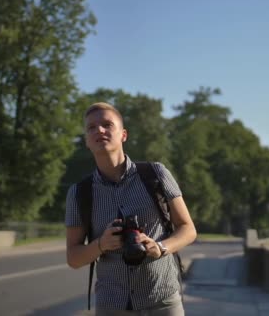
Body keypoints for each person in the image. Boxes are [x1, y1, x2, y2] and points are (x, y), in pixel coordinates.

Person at [65, 102, 197, 315]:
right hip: (113, 305)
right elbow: (73, 257)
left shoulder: (156, 174)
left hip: (163, 300)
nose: (99, 130)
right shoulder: (79, 193)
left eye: (107, 124)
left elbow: (188, 229)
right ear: (87, 142)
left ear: (123, 135)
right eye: (91, 128)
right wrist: (101, 244)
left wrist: (160, 248)